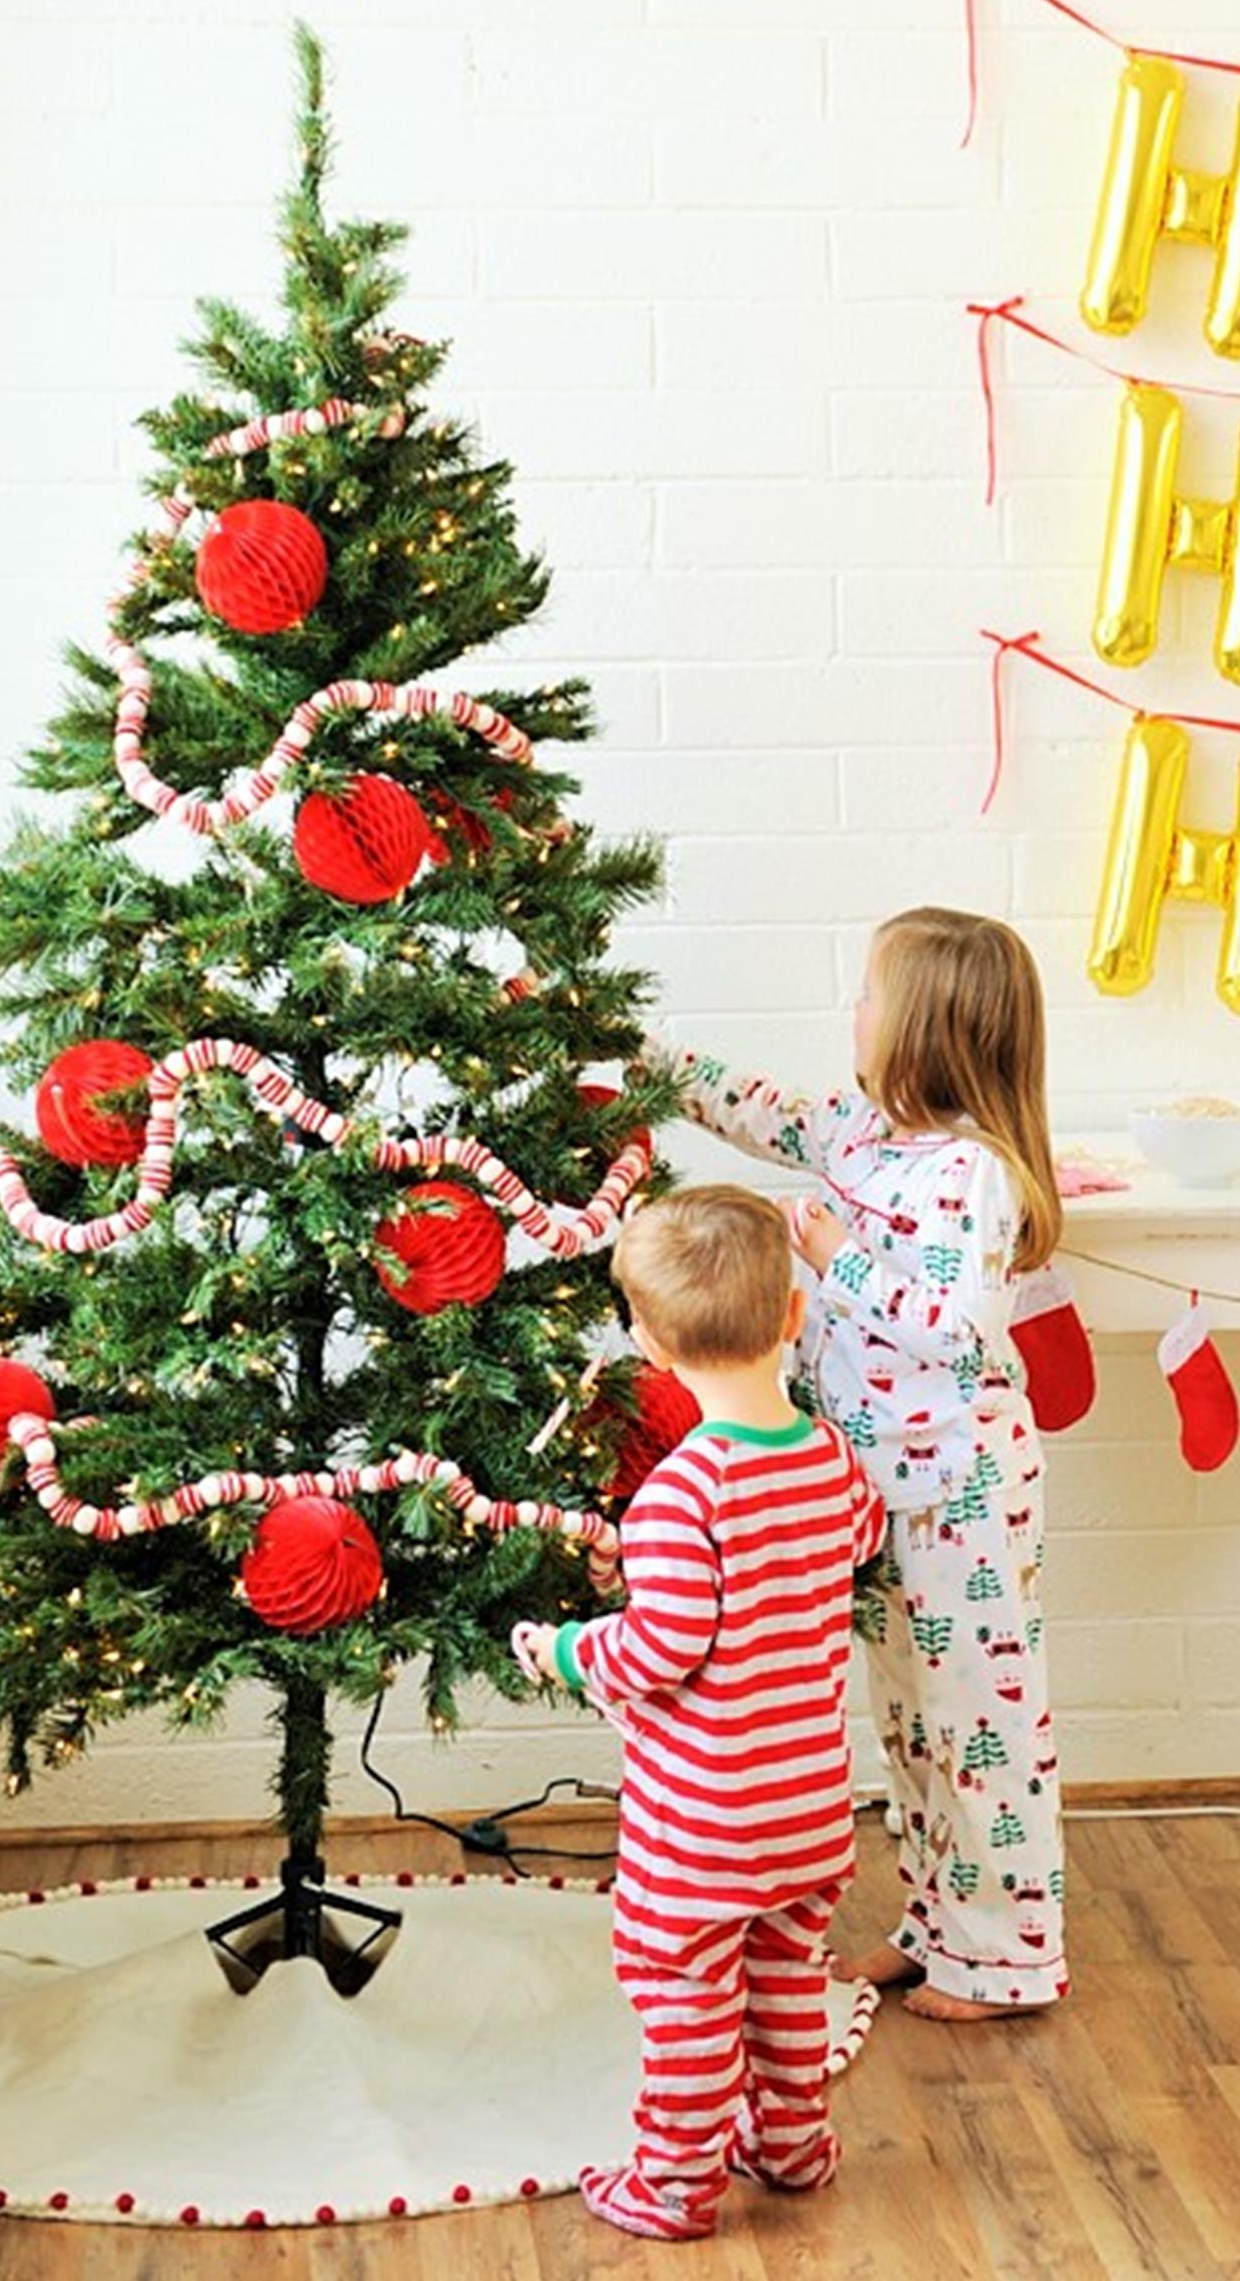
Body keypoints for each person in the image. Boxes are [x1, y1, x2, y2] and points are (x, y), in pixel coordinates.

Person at [665, 905, 1068, 2019]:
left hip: (961, 1499)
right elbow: (760, 1109)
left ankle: (1006, 1960)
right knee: (910, 1723)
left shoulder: (970, 1175)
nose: (851, 1013)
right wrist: (630, 1052)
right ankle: (936, 1928)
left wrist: (836, 1258)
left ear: (925, 1031)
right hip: (876, 1486)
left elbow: (949, 1323)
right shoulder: (860, 1133)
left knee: (979, 1731)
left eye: (869, 997)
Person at [514, 1183, 887, 2243]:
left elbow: (661, 1648)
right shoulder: (826, 1457)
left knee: (680, 1992)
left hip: (705, 1821)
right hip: (808, 1808)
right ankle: (792, 2142)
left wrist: (566, 1649)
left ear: (648, 1344)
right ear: (791, 1318)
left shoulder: (681, 1491)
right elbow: (849, 1543)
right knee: (781, 1979)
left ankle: (674, 2184)